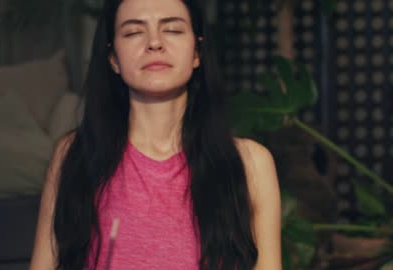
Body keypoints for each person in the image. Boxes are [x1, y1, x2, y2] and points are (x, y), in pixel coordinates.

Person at [29, 0, 281, 269]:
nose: (154, 43)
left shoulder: (251, 162)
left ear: (197, 52)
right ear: (113, 58)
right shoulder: (75, 154)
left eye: (172, 30)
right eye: (133, 32)